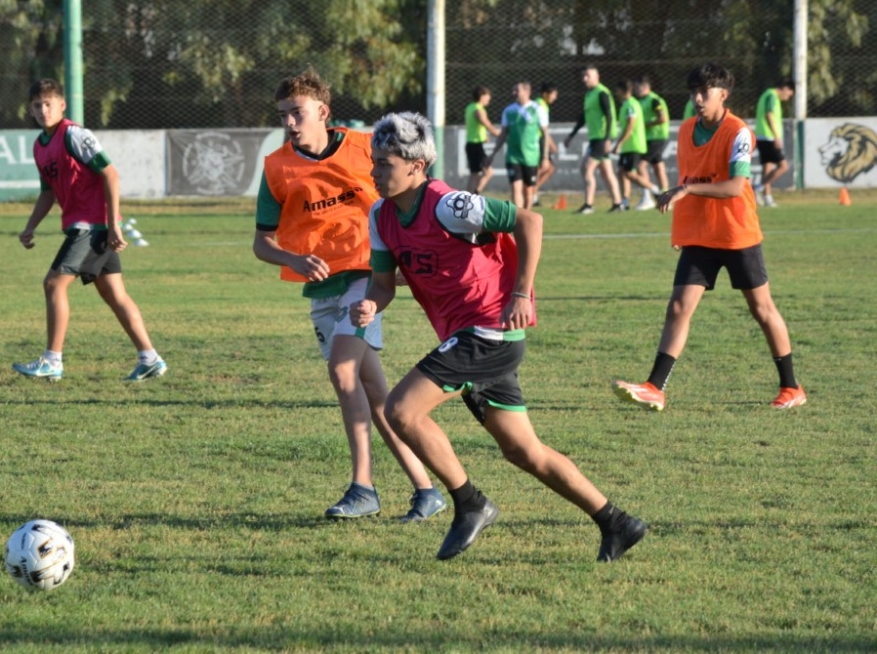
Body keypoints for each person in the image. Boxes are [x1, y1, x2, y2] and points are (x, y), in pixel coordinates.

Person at [351, 111, 647, 562]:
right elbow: (383, 284)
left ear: (416, 166)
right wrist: (372, 303)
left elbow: (530, 222)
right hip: (468, 336)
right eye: (373, 162)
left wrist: (522, 294)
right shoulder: (381, 215)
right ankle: (616, 522)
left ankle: (470, 503)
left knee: (401, 410)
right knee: (523, 451)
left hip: (490, 330)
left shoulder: (450, 205)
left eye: (384, 164)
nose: (374, 172)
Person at [252, 69, 446, 522]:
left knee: (343, 373)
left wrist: (404, 259)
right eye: (283, 115)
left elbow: (415, 191)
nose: (290, 123)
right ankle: (426, 489)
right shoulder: (277, 167)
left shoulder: (367, 148)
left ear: (322, 111)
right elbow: (261, 243)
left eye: (297, 113)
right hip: (322, 289)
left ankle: (363, 488)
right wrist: (294, 261)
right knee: (374, 392)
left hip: (366, 279)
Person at [612, 63, 806, 412]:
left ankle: (792, 387)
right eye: (694, 93)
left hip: (736, 232)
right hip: (700, 236)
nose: (698, 99)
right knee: (678, 307)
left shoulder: (739, 132)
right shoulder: (687, 129)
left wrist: (685, 190)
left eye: (705, 92)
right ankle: (655, 387)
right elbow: (691, 179)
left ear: (723, 95)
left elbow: (735, 186)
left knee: (761, 309)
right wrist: (681, 227)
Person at [13, 79, 166, 383]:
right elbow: (48, 192)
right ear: (30, 110)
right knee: (114, 294)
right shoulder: (40, 146)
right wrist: (30, 227)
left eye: (49, 103)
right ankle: (149, 358)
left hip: (92, 225)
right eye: (37, 105)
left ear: (62, 105)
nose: (44, 110)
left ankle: (52, 360)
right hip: (84, 225)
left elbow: (110, 174)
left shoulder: (74, 135)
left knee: (54, 284)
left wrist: (112, 225)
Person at [564, 65, 622, 214]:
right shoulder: (589, 95)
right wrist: (571, 135)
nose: (585, 79)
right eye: (583, 76)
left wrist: (607, 138)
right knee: (606, 172)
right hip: (595, 137)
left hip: (601, 138)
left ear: (597, 77)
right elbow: (583, 118)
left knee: (586, 168)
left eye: (588, 76)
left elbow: (609, 115)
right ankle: (618, 203)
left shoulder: (602, 93)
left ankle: (589, 205)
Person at [484, 81, 548, 211]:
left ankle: (526, 216)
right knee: (515, 188)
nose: (514, 93)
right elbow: (503, 135)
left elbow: (545, 135)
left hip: (531, 157)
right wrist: (493, 154)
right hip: (513, 156)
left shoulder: (537, 109)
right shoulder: (509, 110)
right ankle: (518, 219)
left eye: (517, 90)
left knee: (529, 191)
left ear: (527, 92)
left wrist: (545, 157)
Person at [611, 79, 659, 212]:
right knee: (621, 172)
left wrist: (619, 143)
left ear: (622, 90)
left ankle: (656, 190)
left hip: (633, 145)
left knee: (629, 173)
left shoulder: (631, 105)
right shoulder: (626, 104)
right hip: (628, 146)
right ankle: (625, 202)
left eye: (617, 90)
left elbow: (630, 125)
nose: (616, 93)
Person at [753, 77, 795, 207]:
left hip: (762, 136)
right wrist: (776, 136)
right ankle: (758, 188)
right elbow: (769, 115)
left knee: (768, 167)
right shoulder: (772, 96)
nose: (787, 97)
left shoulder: (766, 94)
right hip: (768, 137)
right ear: (785, 88)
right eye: (789, 94)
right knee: (783, 166)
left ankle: (767, 197)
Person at [634, 75, 670, 210]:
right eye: (636, 88)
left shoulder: (654, 100)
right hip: (649, 138)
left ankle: (647, 197)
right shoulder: (642, 101)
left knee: (640, 166)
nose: (637, 90)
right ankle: (667, 197)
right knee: (658, 166)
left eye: (640, 87)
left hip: (656, 137)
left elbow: (663, 118)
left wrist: (647, 124)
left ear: (647, 87)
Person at [464, 86, 501, 194]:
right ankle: (475, 194)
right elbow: (485, 122)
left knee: (474, 174)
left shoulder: (470, 107)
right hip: (476, 146)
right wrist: (498, 133)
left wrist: (483, 136)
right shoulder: (478, 109)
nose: (489, 98)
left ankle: (466, 200)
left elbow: (474, 126)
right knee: (489, 172)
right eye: (488, 95)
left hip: (472, 144)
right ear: (482, 96)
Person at [534, 82, 559, 200]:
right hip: (537, 140)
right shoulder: (540, 105)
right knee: (542, 168)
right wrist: (551, 143)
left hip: (539, 139)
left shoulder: (540, 103)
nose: (555, 97)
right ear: (545, 94)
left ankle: (533, 191)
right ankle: (531, 192)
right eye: (553, 94)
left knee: (548, 168)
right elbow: (543, 129)